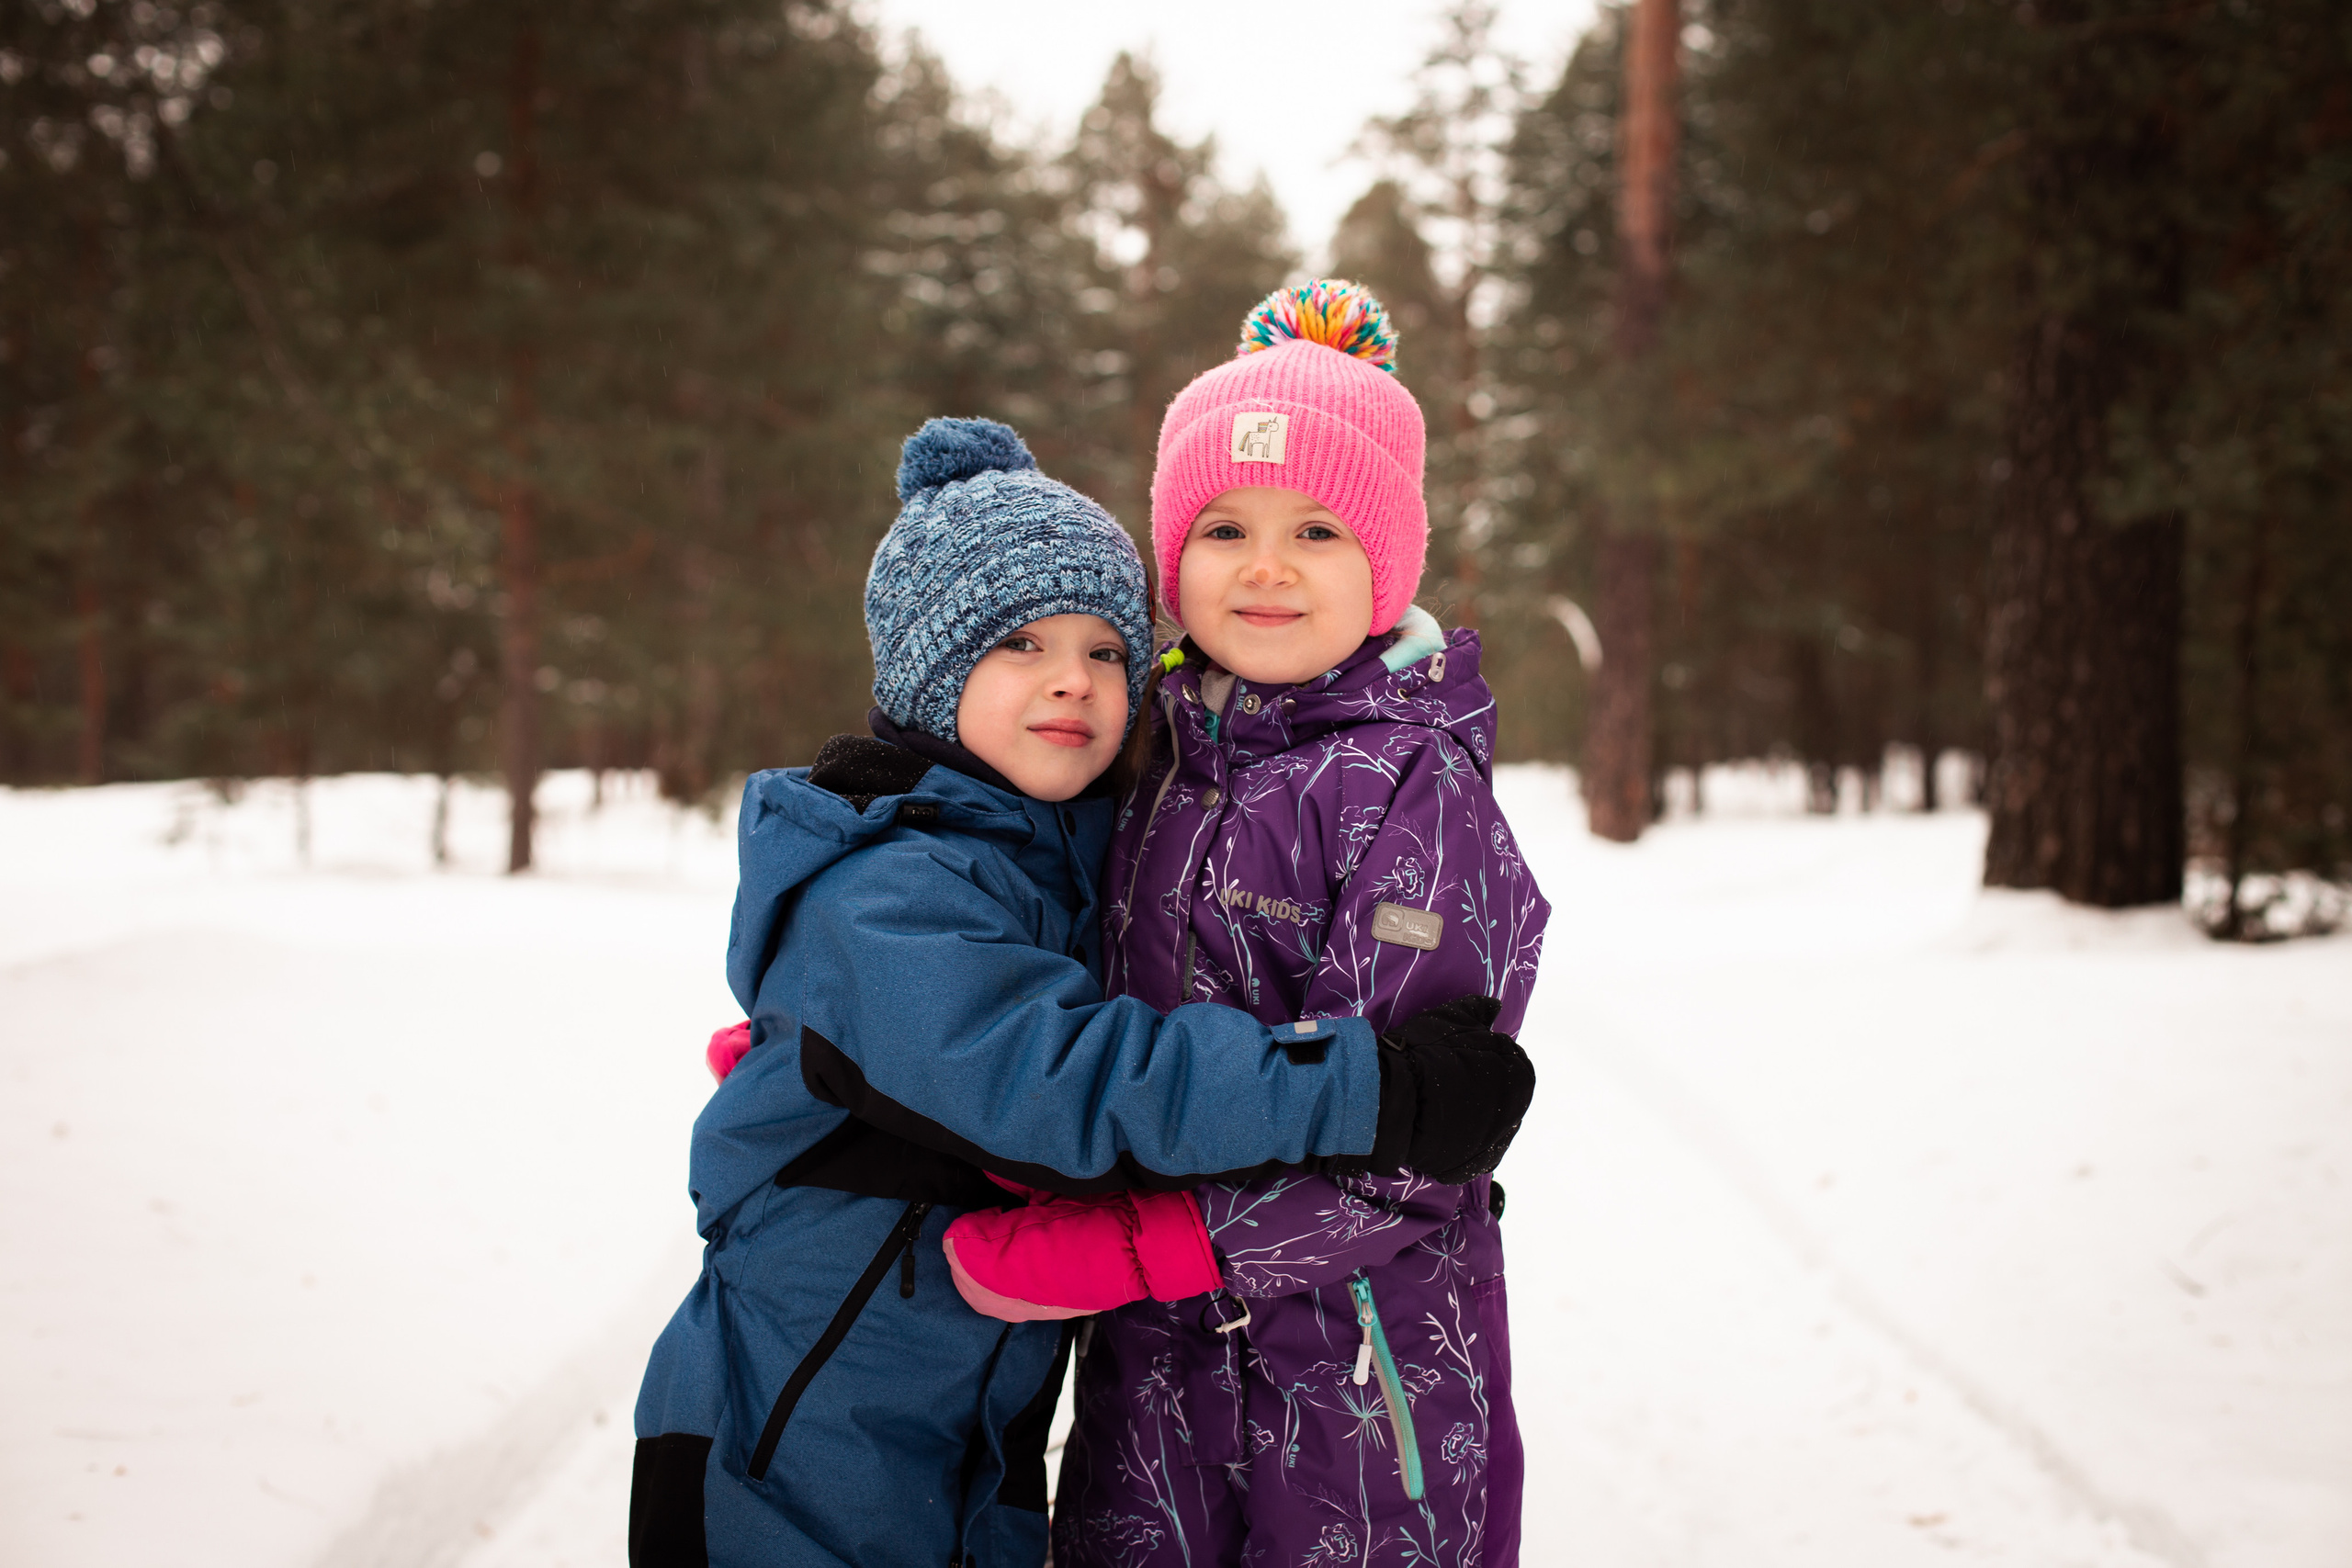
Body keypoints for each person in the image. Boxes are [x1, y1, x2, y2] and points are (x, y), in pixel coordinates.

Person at [630, 415, 1535, 1568]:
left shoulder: (1053, 848)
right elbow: (1072, 1078)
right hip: (795, 1450)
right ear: (929, 670)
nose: (1072, 680)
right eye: (1017, 642)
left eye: (1106, 650)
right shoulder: (888, 888)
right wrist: (1368, 1088)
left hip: (969, 1448)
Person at [944, 282, 1550, 1568]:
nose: (1265, 566)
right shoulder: (1146, 741)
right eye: (1223, 526)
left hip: (1356, 1381)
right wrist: (888, 1031)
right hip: (1146, 1378)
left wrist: (1152, 1239)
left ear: (1385, 564)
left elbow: (1409, 1136)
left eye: (1317, 529)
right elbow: (1025, 923)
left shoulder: (1410, 785)